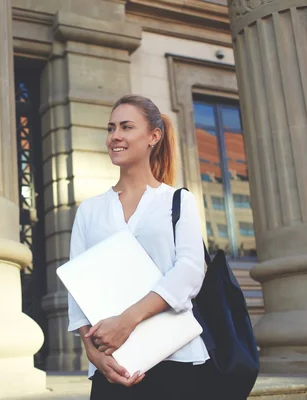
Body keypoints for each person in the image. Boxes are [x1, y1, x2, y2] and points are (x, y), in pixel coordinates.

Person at [67, 94, 217, 399]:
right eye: (111, 128)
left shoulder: (178, 201)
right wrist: (92, 353)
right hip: (113, 364)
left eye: (126, 127)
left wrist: (127, 320)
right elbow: (77, 287)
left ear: (154, 136)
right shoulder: (89, 210)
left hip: (176, 357)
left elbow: (189, 271)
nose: (115, 137)